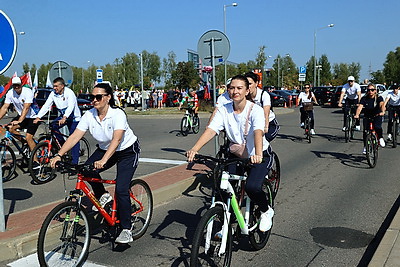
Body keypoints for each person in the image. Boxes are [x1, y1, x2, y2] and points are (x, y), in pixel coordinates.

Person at [50, 82, 140, 244]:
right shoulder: (89, 115)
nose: (94, 100)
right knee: (85, 171)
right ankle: (104, 196)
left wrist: (104, 160)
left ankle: (126, 229)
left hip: (127, 151)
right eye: (92, 97)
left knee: (121, 189)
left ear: (108, 98)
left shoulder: (117, 114)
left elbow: (117, 139)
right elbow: (75, 137)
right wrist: (59, 154)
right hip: (106, 149)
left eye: (98, 97)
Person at [186, 75, 274, 232]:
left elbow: (258, 132)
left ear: (247, 91)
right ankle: (228, 222)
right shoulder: (224, 109)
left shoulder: (256, 110)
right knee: (224, 188)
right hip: (236, 155)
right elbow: (212, 130)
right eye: (232, 88)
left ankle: (266, 211)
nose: (235, 91)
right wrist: (195, 148)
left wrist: (258, 154)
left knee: (252, 187)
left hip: (258, 154)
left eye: (239, 88)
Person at [33, 77, 81, 164]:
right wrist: (38, 116)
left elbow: (71, 107)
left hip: (74, 118)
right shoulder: (53, 94)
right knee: (53, 127)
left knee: (73, 138)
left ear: (62, 86)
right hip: (64, 116)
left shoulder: (69, 93)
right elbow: (46, 105)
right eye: (53, 86)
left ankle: (75, 163)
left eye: (56, 86)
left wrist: (65, 117)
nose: (54, 88)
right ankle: (63, 147)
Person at [0, 77, 39, 152]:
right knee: (10, 128)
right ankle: (24, 142)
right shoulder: (10, 93)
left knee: (29, 137)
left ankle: (35, 161)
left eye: (18, 85)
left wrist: (20, 120)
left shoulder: (27, 92)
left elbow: (26, 108)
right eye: (14, 85)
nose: (16, 87)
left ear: (21, 84)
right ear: (12, 85)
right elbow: (5, 107)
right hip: (22, 115)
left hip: (33, 116)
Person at [245, 72, 280, 141]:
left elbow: (266, 113)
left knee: (262, 143)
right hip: (253, 124)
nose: (248, 87)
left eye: (250, 84)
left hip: (269, 123)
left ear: (256, 83)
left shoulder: (263, 94)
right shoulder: (244, 95)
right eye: (246, 84)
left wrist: (266, 127)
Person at [354, 83, 386, 154]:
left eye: (372, 90)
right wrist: (357, 115)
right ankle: (366, 147)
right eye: (369, 90)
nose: (370, 92)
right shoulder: (364, 98)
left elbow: (382, 105)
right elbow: (360, 107)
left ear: (375, 91)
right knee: (365, 131)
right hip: (367, 116)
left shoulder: (378, 98)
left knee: (377, 127)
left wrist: (383, 111)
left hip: (377, 115)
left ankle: (380, 138)